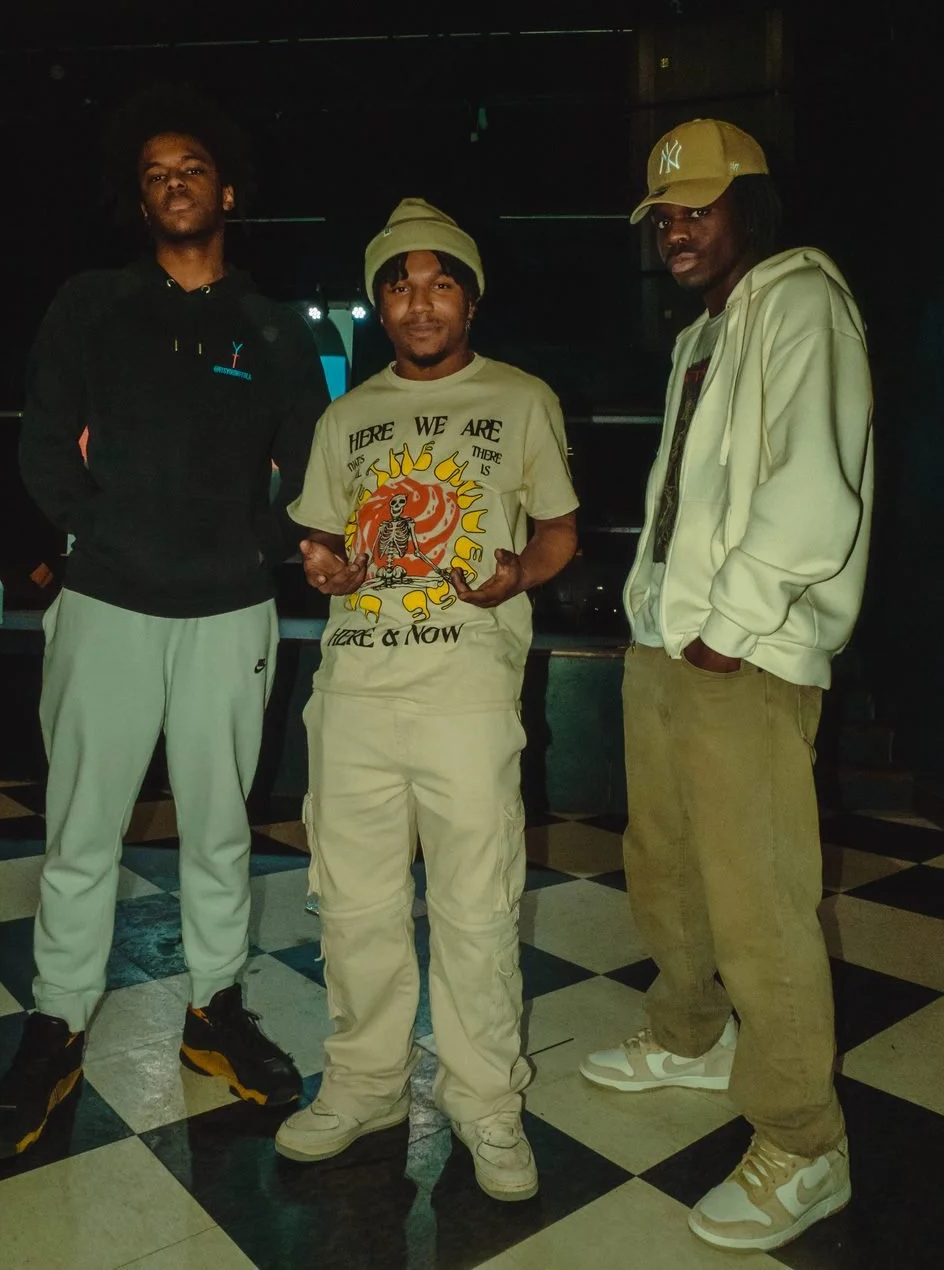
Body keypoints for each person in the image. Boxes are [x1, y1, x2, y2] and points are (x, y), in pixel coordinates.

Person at [0, 86, 330, 1159]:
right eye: (153, 175)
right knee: (82, 831)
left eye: (191, 170)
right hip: (106, 604)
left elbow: (309, 461)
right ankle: (57, 1020)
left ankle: (215, 1007)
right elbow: (41, 445)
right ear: (143, 200)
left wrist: (259, 543)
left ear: (227, 189)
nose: (173, 184)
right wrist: (100, 532)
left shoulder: (270, 328)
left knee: (219, 828)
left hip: (230, 611)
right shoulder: (90, 303)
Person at [580, 119, 873, 1251]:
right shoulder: (701, 333)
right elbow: (683, 497)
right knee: (664, 865)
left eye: (697, 206)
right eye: (661, 213)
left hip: (741, 655)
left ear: (752, 203)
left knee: (757, 902)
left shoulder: (800, 300)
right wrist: (657, 614)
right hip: (674, 642)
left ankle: (805, 1143)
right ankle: (691, 1031)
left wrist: (729, 630)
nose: (674, 228)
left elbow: (811, 494)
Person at [275, 199, 579, 1201]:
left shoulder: (523, 398)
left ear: (470, 297)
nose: (418, 299)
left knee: (477, 908)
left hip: (465, 693)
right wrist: (320, 563)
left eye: (438, 280)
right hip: (355, 690)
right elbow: (321, 541)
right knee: (354, 906)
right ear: (378, 302)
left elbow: (555, 535)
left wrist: (515, 577)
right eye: (398, 284)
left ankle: (485, 1101)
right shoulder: (344, 415)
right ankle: (365, 1084)